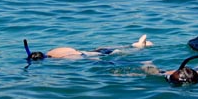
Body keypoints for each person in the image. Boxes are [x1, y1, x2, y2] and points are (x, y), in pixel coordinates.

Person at [24, 34, 153, 61]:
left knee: (117, 53)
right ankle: (133, 44)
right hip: (90, 50)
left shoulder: (58, 59)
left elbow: (79, 57)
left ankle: (139, 47)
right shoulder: (53, 51)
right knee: (104, 47)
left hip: (90, 55)